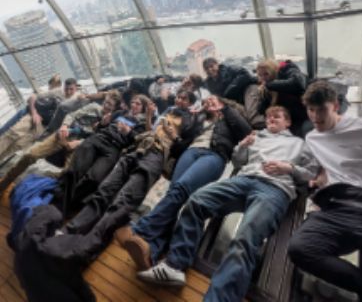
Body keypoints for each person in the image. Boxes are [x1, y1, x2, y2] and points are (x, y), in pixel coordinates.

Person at [134, 106, 318, 302]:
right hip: (243, 180)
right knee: (197, 201)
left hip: (274, 188)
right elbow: (238, 162)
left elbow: (312, 174)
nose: (271, 119)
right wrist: (243, 146)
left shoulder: (299, 144)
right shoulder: (257, 137)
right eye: (268, 116)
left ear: (287, 122)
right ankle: (174, 266)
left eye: (277, 116)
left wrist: (289, 167)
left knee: (245, 238)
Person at [39, 90, 199, 264]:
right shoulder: (166, 113)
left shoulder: (191, 121)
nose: (179, 100)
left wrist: (173, 135)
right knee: (103, 192)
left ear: (191, 104)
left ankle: (87, 246)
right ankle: (69, 230)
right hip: (136, 150)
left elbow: (183, 150)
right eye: (178, 97)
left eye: (184, 98)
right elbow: (147, 132)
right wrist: (148, 119)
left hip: (156, 156)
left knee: (122, 202)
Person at [287, 81, 362, 302]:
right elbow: (332, 168)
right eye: (311, 110)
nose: (316, 117)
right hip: (341, 208)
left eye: (322, 110)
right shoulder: (313, 138)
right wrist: (320, 188)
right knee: (301, 249)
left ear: (336, 106)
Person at [115, 95, 252, 269]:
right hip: (190, 152)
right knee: (174, 195)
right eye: (208, 102)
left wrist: (223, 108)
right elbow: (184, 137)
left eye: (214, 102)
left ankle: (139, 230)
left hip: (214, 155)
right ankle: (152, 252)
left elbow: (246, 131)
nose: (209, 103)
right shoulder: (202, 117)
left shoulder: (232, 119)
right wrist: (194, 116)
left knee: (181, 189)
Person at [0, 90, 122, 195]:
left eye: (110, 104)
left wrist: (79, 143)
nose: (106, 105)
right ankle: (4, 184)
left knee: (66, 175)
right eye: (106, 102)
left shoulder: (111, 124)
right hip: (63, 135)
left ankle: (31, 187)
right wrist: (64, 126)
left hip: (78, 148)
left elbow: (97, 139)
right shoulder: (94, 107)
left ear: (115, 108)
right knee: (30, 156)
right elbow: (72, 115)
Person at [54, 94, 152, 216]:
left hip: (114, 148)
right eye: (133, 102)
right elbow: (99, 127)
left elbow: (138, 141)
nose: (134, 105)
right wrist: (103, 123)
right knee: (74, 172)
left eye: (138, 104)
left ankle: (70, 204)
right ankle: (59, 206)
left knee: (94, 179)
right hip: (99, 139)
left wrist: (128, 132)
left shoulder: (142, 124)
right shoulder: (120, 113)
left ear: (143, 108)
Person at [0, 78, 79, 163]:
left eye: (71, 89)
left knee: (19, 145)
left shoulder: (77, 101)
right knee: (12, 134)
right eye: (66, 89)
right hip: (35, 117)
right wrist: (34, 114)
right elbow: (33, 97)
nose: (68, 92)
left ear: (76, 88)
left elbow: (72, 118)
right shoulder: (57, 92)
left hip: (44, 127)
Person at [256, 59, 308, 136]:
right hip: (282, 122)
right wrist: (264, 96)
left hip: (299, 118)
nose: (263, 78)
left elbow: (298, 83)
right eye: (260, 75)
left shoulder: (287, 70)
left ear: (273, 72)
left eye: (266, 74)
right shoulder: (265, 89)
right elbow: (261, 110)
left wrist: (269, 85)